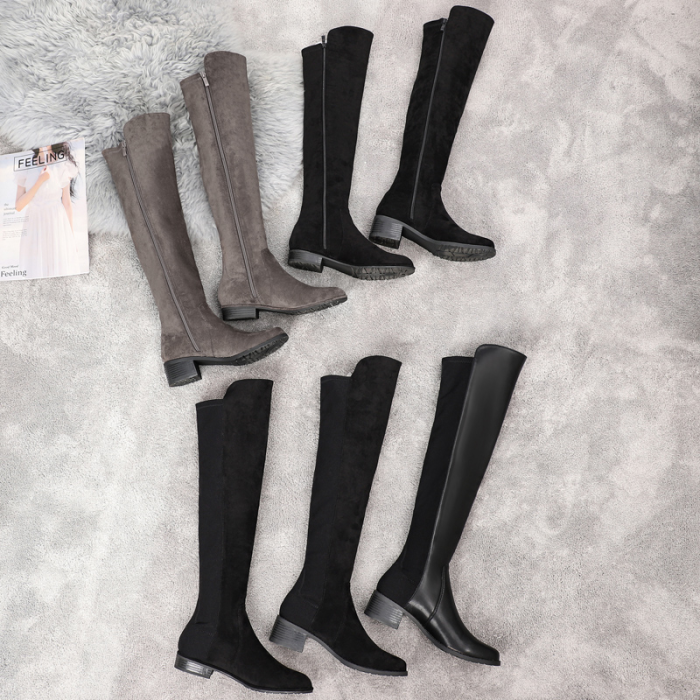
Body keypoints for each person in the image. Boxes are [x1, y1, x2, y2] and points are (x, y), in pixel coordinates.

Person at [15, 142, 80, 278]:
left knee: (57, 268)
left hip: (56, 222)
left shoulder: (63, 164)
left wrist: (71, 238)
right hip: (34, 223)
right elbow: (19, 206)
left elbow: (67, 203)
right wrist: (39, 181)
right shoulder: (26, 165)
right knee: (35, 270)